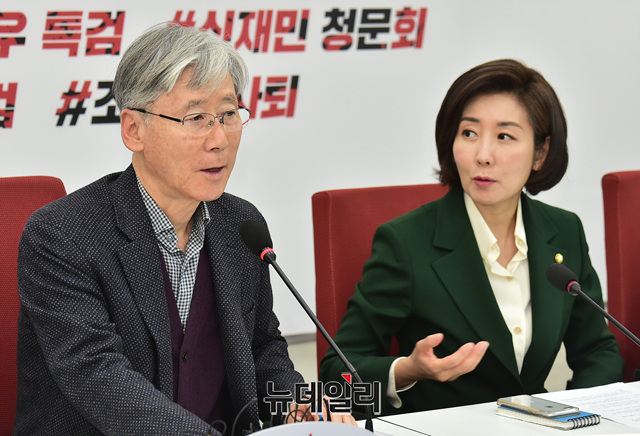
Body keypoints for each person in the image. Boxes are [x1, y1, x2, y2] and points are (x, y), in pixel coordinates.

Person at [15, 24, 354, 435]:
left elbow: (262, 348)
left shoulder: (240, 225)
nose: (219, 139)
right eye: (195, 118)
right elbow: (100, 379)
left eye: (228, 115)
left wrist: (298, 404)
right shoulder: (62, 235)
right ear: (134, 130)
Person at [319, 59, 624, 415]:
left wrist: (576, 416)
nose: (482, 156)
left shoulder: (564, 231)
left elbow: (597, 352)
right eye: (469, 133)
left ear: (540, 153)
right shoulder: (405, 241)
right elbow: (336, 372)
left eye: (504, 136)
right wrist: (406, 370)